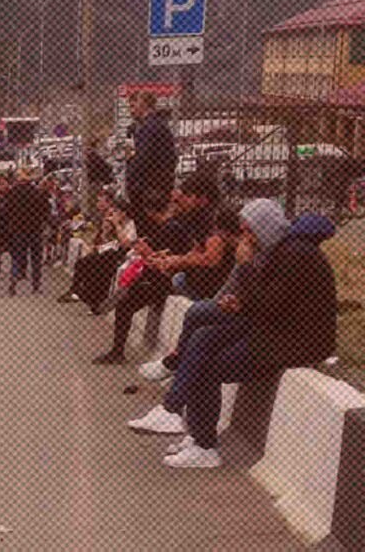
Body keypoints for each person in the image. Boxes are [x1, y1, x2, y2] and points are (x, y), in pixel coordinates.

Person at [128, 206, 337, 469]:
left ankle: (203, 445)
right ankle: (186, 424)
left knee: (209, 367)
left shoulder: (295, 255)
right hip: (275, 329)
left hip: (296, 342)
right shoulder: (280, 250)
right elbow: (267, 301)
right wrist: (237, 302)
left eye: (249, 230)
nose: (245, 236)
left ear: (264, 228)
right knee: (203, 337)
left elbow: (269, 306)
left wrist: (246, 266)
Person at [136, 199, 291, 383]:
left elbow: (264, 301)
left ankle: (175, 375)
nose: (246, 236)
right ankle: (175, 389)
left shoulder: (274, 255)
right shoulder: (254, 249)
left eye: (248, 230)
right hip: (245, 310)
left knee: (201, 328)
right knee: (200, 331)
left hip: (267, 327)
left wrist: (242, 272)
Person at [92, 191, 194, 365]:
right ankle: (107, 312)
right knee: (125, 296)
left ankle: (117, 351)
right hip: (160, 277)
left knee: (124, 305)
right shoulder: (171, 226)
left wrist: (145, 251)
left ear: (151, 211)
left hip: (162, 281)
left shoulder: (170, 228)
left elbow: (160, 257)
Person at [59, 195, 137, 312]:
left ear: (124, 213)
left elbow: (126, 243)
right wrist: (106, 230)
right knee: (84, 261)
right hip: (111, 249)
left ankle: (87, 295)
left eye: (117, 211)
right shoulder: (111, 220)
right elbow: (106, 239)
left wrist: (116, 225)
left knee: (98, 264)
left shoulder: (131, 225)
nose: (114, 213)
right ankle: (76, 290)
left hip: (124, 253)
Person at [126, 92, 177, 228]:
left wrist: (131, 178)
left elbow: (143, 159)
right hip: (155, 184)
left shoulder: (150, 127)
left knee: (147, 228)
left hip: (149, 187)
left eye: (133, 106)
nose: (131, 111)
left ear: (144, 105)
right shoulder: (155, 125)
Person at [4, 169, 50, 295]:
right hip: (35, 229)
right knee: (36, 259)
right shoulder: (37, 193)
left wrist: (10, 224)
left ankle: (13, 280)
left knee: (17, 256)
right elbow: (45, 210)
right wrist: (42, 222)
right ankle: (36, 285)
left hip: (18, 229)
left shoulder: (12, 192)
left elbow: (5, 211)